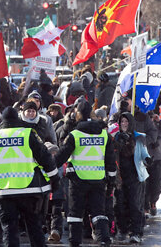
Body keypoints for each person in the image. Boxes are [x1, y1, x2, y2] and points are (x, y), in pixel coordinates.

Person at [0, 107, 60, 247]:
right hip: (29, 190)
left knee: (9, 229)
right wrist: (54, 179)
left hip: (3, 191)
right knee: (34, 227)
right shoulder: (28, 134)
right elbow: (45, 158)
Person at [55, 99, 116, 247]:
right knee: (99, 214)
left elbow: (60, 157)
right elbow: (111, 161)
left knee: (75, 215)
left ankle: (75, 243)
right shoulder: (104, 135)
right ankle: (104, 240)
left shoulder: (74, 135)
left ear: (78, 114)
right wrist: (111, 182)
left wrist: (48, 169)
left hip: (78, 181)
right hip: (98, 180)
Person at [113, 112, 152, 244]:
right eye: (122, 122)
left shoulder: (139, 138)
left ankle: (136, 232)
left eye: (126, 122)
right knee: (119, 205)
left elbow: (144, 152)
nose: (124, 124)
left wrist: (147, 159)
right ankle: (123, 230)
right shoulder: (116, 137)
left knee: (135, 205)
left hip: (135, 176)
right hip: (120, 177)